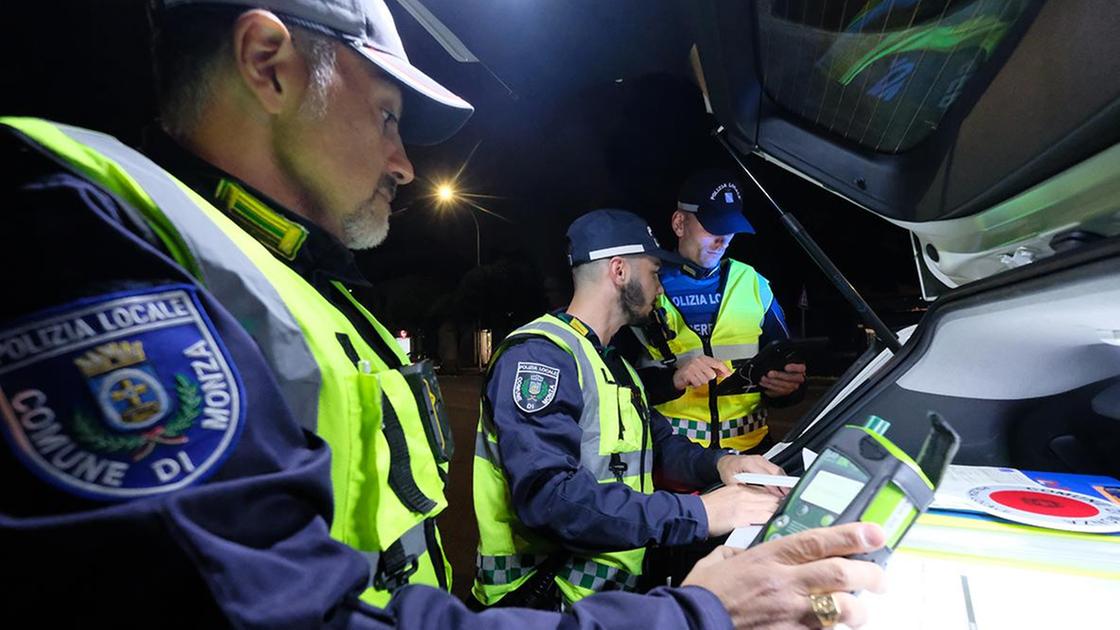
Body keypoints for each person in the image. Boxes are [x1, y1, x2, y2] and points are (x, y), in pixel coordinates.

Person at [1, 1, 886, 627]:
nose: (403, 163)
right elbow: (284, 607)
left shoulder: (286, 278)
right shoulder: (91, 235)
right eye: (387, 116)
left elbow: (638, 439)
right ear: (267, 63)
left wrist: (723, 470)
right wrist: (697, 609)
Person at [472, 209, 798, 609]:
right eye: (655, 272)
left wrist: (724, 465)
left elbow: (660, 446)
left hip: (601, 598)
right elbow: (549, 498)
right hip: (537, 602)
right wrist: (699, 512)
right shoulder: (541, 357)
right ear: (619, 271)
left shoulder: (614, 363)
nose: (660, 288)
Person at [626, 169, 808, 456]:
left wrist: (787, 389)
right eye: (713, 227)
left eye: (730, 228)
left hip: (751, 454)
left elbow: (785, 366)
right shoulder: (646, 286)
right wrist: (673, 380)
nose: (722, 240)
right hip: (671, 458)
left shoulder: (755, 284)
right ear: (679, 223)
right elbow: (615, 384)